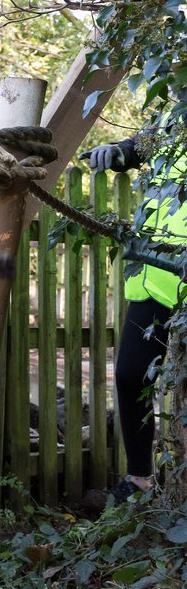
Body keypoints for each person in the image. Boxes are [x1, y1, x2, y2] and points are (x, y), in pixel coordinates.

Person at [85, 124, 186, 504]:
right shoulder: (174, 118)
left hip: (182, 276)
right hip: (155, 279)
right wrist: (119, 151)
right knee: (130, 375)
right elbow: (142, 145)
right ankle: (140, 481)